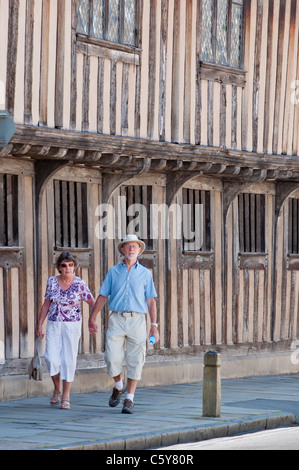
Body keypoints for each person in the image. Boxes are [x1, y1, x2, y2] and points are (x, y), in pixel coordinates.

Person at [88, 234, 159, 414]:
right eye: (127, 246)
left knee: (136, 360)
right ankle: (118, 385)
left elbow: (151, 301)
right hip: (117, 318)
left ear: (139, 250)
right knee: (112, 357)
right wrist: (92, 317)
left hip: (137, 319)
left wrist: (154, 326)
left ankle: (129, 399)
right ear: (122, 250)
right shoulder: (113, 272)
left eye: (134, 246)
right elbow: (103, 295)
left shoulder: (145, 273)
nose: (131, 249)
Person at [36, 252, 95, 409]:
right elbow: (46, 304)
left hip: (72, 326)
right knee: (51, 358)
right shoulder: (52, 282)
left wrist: (92, 320)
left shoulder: (80, 284)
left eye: (70, 265)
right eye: (64, 265)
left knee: (68, 360)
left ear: (75, 266)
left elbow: (92, 302)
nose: (67, 268)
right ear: (59, 267)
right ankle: (57, 388)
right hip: (54, 324)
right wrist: (39, 324)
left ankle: (66, 395)